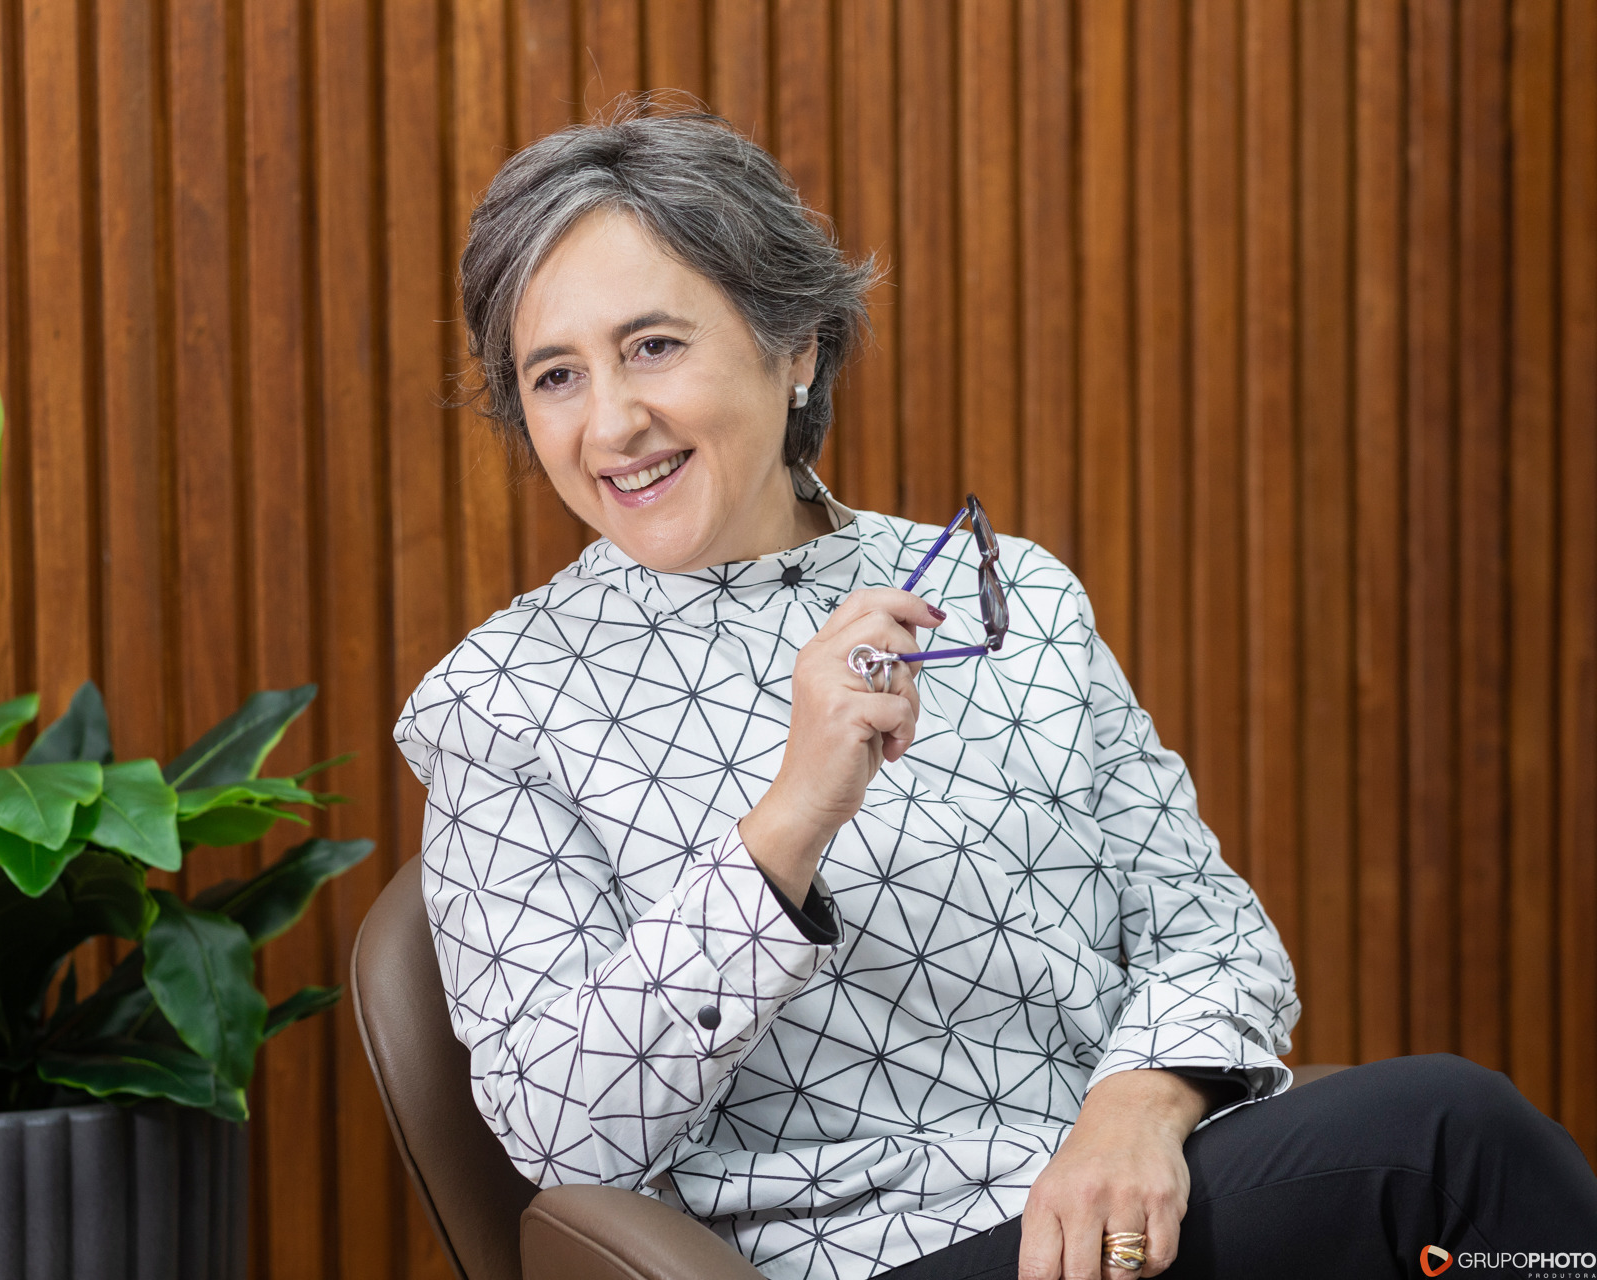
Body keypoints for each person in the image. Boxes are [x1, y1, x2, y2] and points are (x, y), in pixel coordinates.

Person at [394, 105, 1597, 1280]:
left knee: (1458, 1162)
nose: (610, 421)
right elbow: (563, 1135)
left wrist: (1134, 1112)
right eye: (555, 375)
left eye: (654, 345)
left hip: (1124, 1208)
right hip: (860, 1254)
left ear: (795, 342)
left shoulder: (1001, 590)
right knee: (1448, 1142)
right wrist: (788, 822)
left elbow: (1213, 932)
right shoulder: (499, 703)